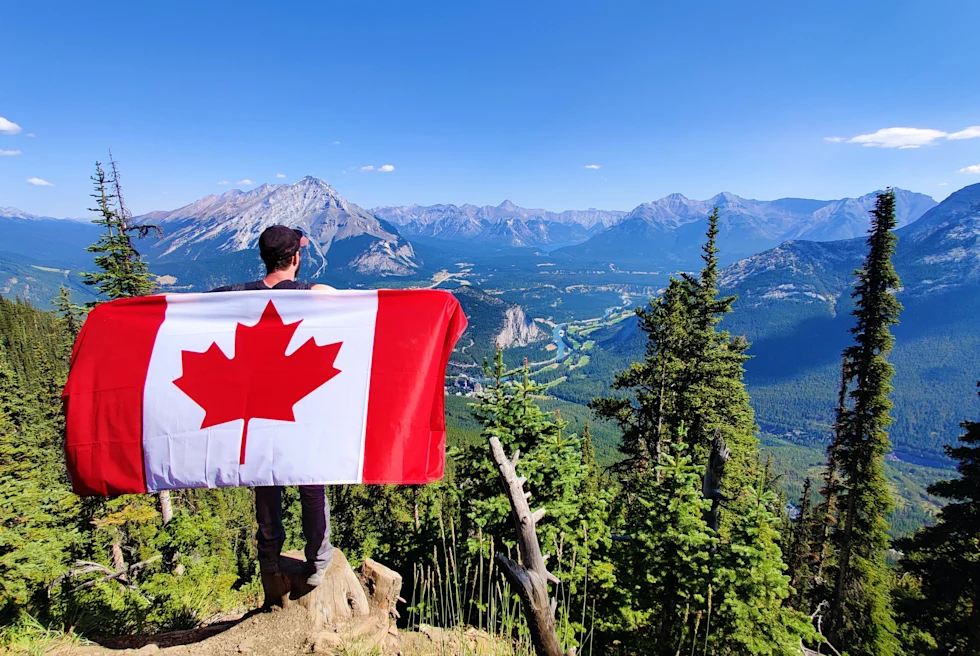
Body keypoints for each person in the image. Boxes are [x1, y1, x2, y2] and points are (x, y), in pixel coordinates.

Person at [210, 225, 334, 588]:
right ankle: (318, 561)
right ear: (296, 257)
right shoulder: (309, 294)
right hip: (299, 408)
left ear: (263, 258)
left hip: (255, 408)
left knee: (265, 482)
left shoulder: (232, 295)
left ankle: (269, 557)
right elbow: (339, 300)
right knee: (312, 486)